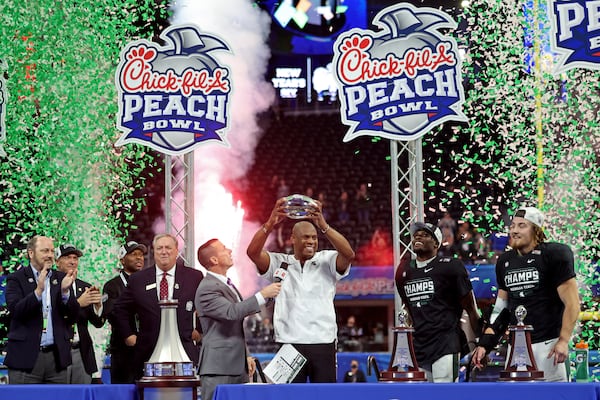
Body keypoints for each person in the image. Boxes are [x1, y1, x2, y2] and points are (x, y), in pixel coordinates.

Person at [246, 197, 355, 383]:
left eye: (314, 237)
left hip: (323, 342)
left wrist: (324, 226)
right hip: (288, 343)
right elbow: (253, 253)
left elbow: (349, 254)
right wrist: (270, 223)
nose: (311, 241)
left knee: (324, 397)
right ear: (293, 239)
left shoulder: (326, 260)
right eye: (305, 237)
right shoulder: (279, 262)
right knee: (289, 397)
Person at [471, 206, 580, 382]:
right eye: (512, 225)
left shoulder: (554, 254)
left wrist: (563, 340)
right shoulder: (505, 261)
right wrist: (485, 344)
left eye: (522, 225)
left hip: (548, 346)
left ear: (536, 230)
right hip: (517, 347)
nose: (514, 230)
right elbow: (501, 309)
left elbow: (572, 303)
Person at [195, 238, 281, 400]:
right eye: (224, 248)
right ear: (214, 259)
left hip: (235, 365)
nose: (230, 250)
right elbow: (231, 312)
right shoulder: (207, 287)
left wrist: (246, 355)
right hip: (219, 367)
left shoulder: (226, 284)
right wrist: (263, 295)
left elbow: (235, 325)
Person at [395, 222, 481, 382]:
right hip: (419, 344)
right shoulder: (403, 271)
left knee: (444, 393)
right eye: (416, 235)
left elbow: (470, 308)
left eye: (425, 235)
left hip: (446, 343)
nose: (418, 237)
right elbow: (408, 309)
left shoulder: (451, 267)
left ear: (436, 243)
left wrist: (480, 342)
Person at [112, 233, 204, 380]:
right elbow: (119, 309)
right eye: (159, 248)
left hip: (184, 352)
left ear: (176, 251)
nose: (164, 251)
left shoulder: (194, 277)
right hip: (147, 352)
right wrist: (128, 335)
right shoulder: (138, 279)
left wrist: (200, 330)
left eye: (168, 247)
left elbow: (205, 305)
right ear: (154, 251)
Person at [4, 235, 79, 384]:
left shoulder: (61, 278)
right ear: (31, 253)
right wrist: (38, 292)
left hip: (56, 359)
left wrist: (65, 292)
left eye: (52, 251)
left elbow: (73, 316)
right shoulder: (16, 278)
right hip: (25, 359)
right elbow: (16, 311)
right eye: (45, 251)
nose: (50, 255)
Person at [55, 244, 104, 384]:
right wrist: (78, 303)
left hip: (82, 351)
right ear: (57, 262)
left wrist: (98, 305)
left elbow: (98, 323)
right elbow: (56, 315)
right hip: (57, 352)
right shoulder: (50, 286)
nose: (72, 261)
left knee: (81, 393)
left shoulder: (85, 287)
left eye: (75, 258)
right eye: (67, 257)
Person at [102, 240, 147, 383]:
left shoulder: (149, 282)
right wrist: (129, 334)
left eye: (141, 255)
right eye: (134, 254)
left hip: (147, 344)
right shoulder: (112, 286)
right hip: (123, 348)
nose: (139, 258)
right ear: (122, 260)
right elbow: (112, 313)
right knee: (123, 390)